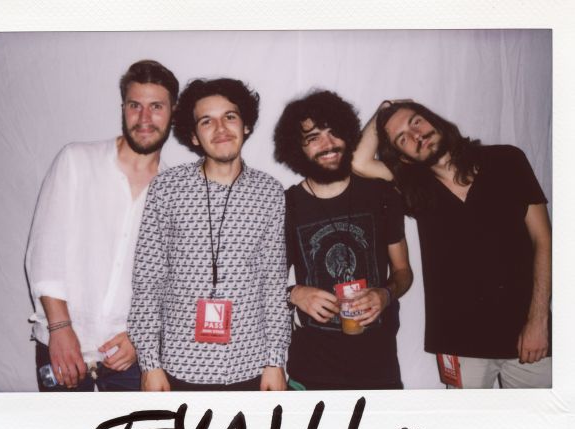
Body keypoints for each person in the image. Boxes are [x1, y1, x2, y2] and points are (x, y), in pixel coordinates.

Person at [354, 100, 551, 388]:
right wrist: (383, 110)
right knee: (466, 418)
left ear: (434, 120)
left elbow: (544, 239)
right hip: (458, 342)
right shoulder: (415, 188)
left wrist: (539, 321)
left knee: (538, 416)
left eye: (416, 121)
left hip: (527, 334)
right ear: (404, 158)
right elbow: (358, 163)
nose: (416, 135)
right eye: (402, 139)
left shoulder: (507, 160)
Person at [127, 78, 290, 392]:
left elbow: (273, 283)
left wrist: (275, 361)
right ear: (193, 136)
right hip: (178, 366)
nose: (220, 128)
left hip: (250, 366)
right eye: (206, 121)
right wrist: (149, 364)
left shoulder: (269, 192)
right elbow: (148, 279)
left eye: (230, 116)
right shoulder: (167, 188)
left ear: (245, 125)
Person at [26, 60, 179, 391]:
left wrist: (139, 337)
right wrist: (60, 328)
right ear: (123, 108)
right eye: (135, 105)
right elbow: (45, 251)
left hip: (130, 359)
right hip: (62, 345)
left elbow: (171, 284)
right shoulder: (76, 161)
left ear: (173, 112)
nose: (144, 118)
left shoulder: (175, 193)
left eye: (156, 107)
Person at [273, 90, 413, 390]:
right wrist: (294, 294)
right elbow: (261, 287)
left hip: (379, 370)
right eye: (313, 138)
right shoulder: (285, 207)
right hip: (311, 373)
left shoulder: (381, 194)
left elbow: (403, 272)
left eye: (334, 132)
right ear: (297, 149)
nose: (328, 144)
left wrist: (385, 295)